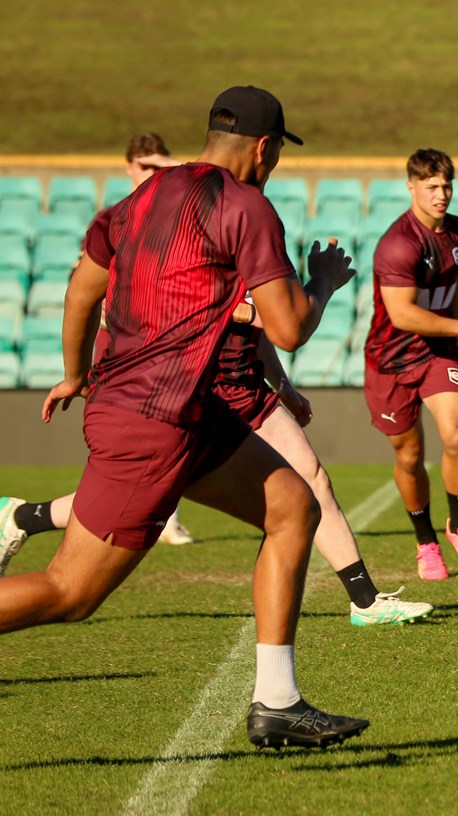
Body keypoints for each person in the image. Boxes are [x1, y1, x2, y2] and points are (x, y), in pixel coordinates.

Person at [0, 86, 369, 748]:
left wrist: (74, 370)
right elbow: (286, 328)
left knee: (293, 506)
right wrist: (322, 283)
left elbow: (83, 286)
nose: (276, 162)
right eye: (279, 150)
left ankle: (277, 702)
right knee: (70, 593)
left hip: (181, 413)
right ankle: (277, 701)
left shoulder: (139, 200)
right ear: (265, 147)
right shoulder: (245, 206)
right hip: (156, 420)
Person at [0, 301, 435, 627]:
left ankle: (362, 600)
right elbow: (279, 322)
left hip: (243, 384)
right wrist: (319, 286)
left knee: (308, 485)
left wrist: (281, 383)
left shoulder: (246, 221)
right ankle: (24, 516)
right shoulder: (190, 225)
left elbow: (263, 329)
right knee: (82, 581)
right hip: (200, 390)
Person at [0, 133, 194, 559]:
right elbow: (83, 287)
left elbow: (203, 180)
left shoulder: (177, 211)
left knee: (163, 456)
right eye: (144, 166)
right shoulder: (116, 218)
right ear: (127, 168)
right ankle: (24, 517)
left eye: (159, 167)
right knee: (143, 462)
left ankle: (24, 517)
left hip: (165, 347)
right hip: (123, 346)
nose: (153, 174)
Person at [364, 148, 458, 580]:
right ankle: (426, 543)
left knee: (457, 437)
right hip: (392, 358)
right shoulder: (398, 243)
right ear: (411, 186)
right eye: (431, 186)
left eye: (446, 185)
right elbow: (402, 315)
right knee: (409, 457)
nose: (441, 194)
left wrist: (457, 334)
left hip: (439, 354)